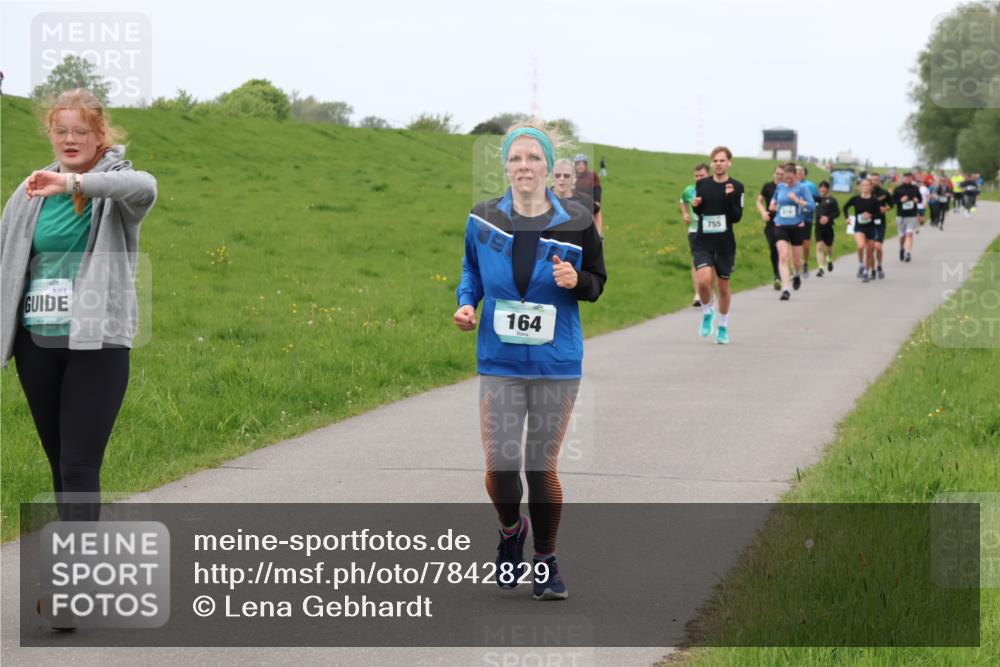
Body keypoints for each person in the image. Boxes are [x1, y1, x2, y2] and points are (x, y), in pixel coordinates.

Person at [454, 122, 606, 601]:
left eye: (533, 159)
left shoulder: (577, 220)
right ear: (505, 165)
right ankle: (508, 532)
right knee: (501, 465)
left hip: (556, 361)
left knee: (540, 466)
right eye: (516, 158)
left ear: (547, 167)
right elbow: (471, 271)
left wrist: (575, 281)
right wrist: (465, 303)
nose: (524, 166)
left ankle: (545, 560)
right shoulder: (482, 218)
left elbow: (598, 281)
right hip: (498, 359)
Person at [0, 88, 157, 522]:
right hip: (39, 345)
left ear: (99, 134)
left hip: (98, 345)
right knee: (60, 470)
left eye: (80, 131)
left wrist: (72, 183)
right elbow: (6, 257)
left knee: (79, 466)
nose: (70, 139)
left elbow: (146, 187)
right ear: (50, 134)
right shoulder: (29, 191)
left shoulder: (115, 189)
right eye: (61, 131)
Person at [691, 146, 744, 343]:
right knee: (703, 280)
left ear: (729, 162)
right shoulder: (702, 184)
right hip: (703, 240)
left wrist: (730, 197)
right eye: (715, 161)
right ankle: (707, 312)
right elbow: (701, 211)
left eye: (722, 160)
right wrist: (696, 207)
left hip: (725, 243)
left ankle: (723, 325)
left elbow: (736, 217)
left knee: (723, 286)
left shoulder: (736, 186)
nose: (718, 164)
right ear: (711, 163)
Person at [769, 162, 812, 300]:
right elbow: (774, 199)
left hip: (797, 226)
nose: (787, 180)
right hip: (780, 225)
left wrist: (798, 201)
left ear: (796, 175)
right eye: (785, 178)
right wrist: (772, 204)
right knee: (783, 256)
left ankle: (797, 273)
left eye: (790, 178)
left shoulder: (802, 188)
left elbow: (811, 206)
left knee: (796, 260)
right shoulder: (780, 186)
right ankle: (786, 288)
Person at [680, 163, 711, 306]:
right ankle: (698, 293)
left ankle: (709, 290)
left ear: (708, 175)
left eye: (702, 176)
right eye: (696, 176)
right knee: (695, 261)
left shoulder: (714, 188)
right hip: (694, 230)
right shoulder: (689, 190)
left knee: (712, 263)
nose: (698, 178)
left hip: (712, 230)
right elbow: (682, 201)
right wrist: (685, 214)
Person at [842, 178, 882, 283]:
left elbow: (879, 214)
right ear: (860, 187)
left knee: (869, 252)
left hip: (871, 228)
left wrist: (871, 215)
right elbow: (845, 207)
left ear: (870, 187)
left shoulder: (875, 200)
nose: (865, 187)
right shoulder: (855, 199)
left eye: (867, 185)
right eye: (863, 185)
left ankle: (865, 271)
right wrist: (846, 218)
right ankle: (860, 264)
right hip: (859, 227)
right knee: (860, 246)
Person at [756, 165, 784, 290]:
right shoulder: (768, 186)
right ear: (774, 174)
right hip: (771, 222)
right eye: (777, 173)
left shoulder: (787, 188)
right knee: (773, 248)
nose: (779, 176)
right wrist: (763, 213)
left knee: (782, 249)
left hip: (784, 223)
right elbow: (759, 201)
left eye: (781, 174)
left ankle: (782, 273)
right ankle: (777, 274)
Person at [551, 158, 599, 224]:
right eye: (557, 175)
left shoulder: (584, 199)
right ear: (552, 177)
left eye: (566, 175)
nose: (562, 178)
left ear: (573, 178)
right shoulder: (542, 197)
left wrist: (598, 233)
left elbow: (597, 213)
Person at [795, 165, 819, 278]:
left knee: (805, 245)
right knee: (794, 244)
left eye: (800, 172)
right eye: (796, 172)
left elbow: (817, 201)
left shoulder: (810, 185)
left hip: (807, 218)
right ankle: (795, 267)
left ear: (804, 173)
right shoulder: (789, 185)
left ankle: (805, 264)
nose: (798, 174)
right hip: (793, 219)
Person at [813, 180, 840, 277]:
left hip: (829, 226)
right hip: (818, 226)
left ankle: (829, 259)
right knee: (819, 246)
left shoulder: (832, 200)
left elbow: (837, 213)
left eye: (824, 188)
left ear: (827, 189)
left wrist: (828, 218)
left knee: (829, 247)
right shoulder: (816, 199)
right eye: (821, 188)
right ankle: (821, 268)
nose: (822, 190)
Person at [892, 172, 921, 263]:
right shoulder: (898, 189)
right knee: (902, 236)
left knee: (909, 234)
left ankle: (908, 253)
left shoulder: (915, 188)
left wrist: (917, 200)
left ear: (912, 179)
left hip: (912, 215)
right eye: (906, 177)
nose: (908, 179)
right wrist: (900, 200)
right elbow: (892, 201)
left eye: (910, 177)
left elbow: (920, 199)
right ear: (903, 178)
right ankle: (902, 248)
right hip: (901, 215)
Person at [868, 172, 891, 280]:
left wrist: (885, 209)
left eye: (876, 179)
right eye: (872, 180)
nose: (873, 182)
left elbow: (891, 204)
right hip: (868, 223)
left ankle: (879, 266)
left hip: (880, 222)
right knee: (870, 248)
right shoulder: (866, 192)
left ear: (879, 180)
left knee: (878, 246)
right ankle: (872, 270)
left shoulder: (884, 193)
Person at [573, 154, 603, 237]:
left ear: (586, 165)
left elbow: (597, 188)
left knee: (597, 211)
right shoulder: (572, 176)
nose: (580, 166)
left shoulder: (592, 175)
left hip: (589, 202)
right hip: (575, 203)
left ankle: (598, 234)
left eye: (582, 164)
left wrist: (597, 201)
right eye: (578, 164)